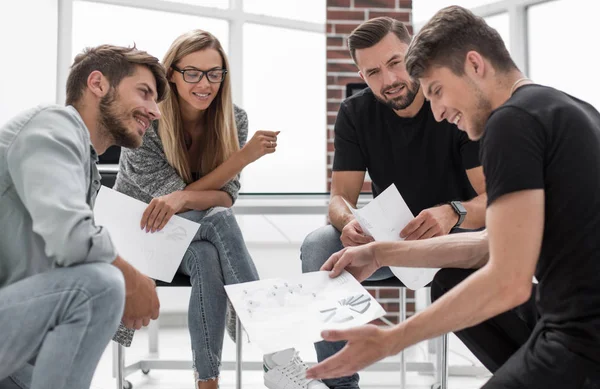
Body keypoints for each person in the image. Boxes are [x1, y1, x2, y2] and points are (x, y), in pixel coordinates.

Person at [306, 6, 600, 388]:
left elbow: (507, 281)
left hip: (579, 342)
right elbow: (487, 246)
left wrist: (390, 340)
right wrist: (380, 252)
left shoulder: (510, 125)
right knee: (447, 281)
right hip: (574, 328)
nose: (439, 112)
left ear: (474, 64)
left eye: (438, 91)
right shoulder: (566, 108)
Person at [114, 29, 326, 389]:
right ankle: (277, 353)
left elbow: (224, 196)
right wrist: (243, 159)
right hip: (141, 237)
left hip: (190, 237)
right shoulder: (146, 122)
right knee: (219, 223)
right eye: (193, 72)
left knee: (207, 257)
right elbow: (169, 204)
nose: (205, 83)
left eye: (214, 73)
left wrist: (182, 198)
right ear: (172, 75)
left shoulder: (233, 119)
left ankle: (207, 382)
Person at [300, 16, 486, 389]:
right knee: (318, 244)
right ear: (361, 74)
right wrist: (347, 220)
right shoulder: (355, 113)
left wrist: (453, 212)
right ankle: (340, 383)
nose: (388, 81)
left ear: (413, 51)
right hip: (392, 245)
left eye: (395, 63)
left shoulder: (451, 101)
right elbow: (340, 198)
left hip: (456, 239)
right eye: (372, 72)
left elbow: (493, 199)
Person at [0, 44, 164, 389]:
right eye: (145, 93)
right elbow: (72, 240)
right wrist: (131, 279)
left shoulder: (84, 166)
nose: (155, 112)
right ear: (97, 83)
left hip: (15, 339)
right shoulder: (54, 124)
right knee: (101, 285)